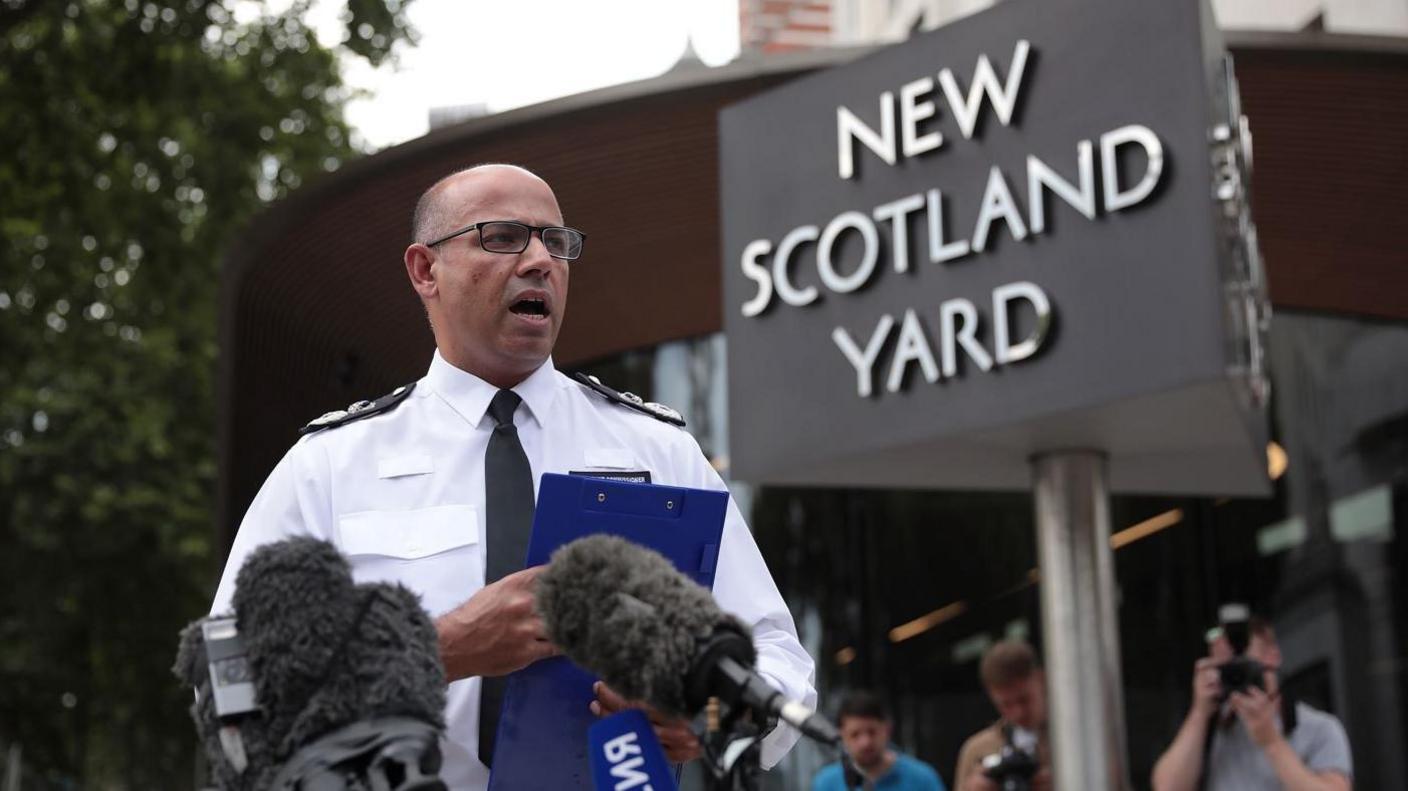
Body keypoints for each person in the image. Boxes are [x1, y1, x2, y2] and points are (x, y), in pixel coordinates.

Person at [210, 164, 816, 789]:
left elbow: (775, 656)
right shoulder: (331, 464)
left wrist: (708, 717)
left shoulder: (657, 448)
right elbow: (233, 691)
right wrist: (441, 648)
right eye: (502, 236)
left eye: (556, 242)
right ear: (425, 271)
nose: (538, 260)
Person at [1151, 615, 1352, 791]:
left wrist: (1271, 742)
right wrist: (1199, 712)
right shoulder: (1209, 730)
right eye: (1228, 669)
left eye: (1243, 665)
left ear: (1273, 657)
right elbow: (1167, 787)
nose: (1236, 676)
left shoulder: (1319, 728)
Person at [953, 640, 1052, 791]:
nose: (1018, 713)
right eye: (1006, 705)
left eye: (1024, 699)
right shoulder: (976, 751)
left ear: (1041, 679)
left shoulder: (1075, 740)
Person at [811, 691, 945, 791]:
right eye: (855, 735)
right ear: (841, 735)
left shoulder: (922, 779)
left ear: (887, 729)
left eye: (872, 732)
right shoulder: (826, 783)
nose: (865, 742)